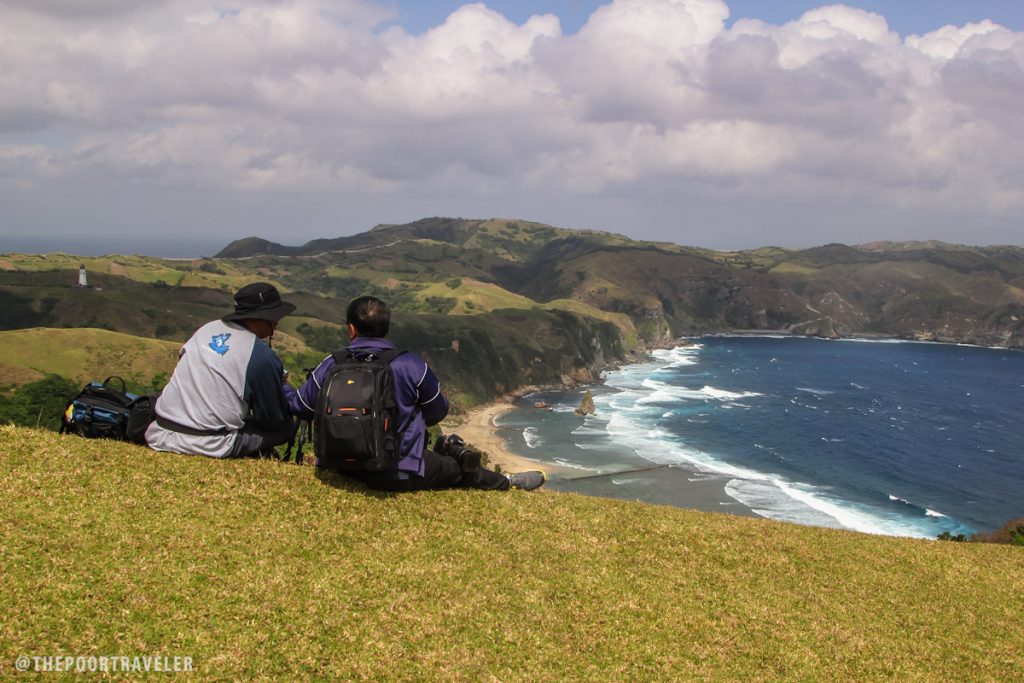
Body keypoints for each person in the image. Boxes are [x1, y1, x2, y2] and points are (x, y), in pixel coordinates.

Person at [285, 295, 545, 492]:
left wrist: (282, 383)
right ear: (387, 327)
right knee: (457, 468)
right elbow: (438, 410)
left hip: (339, 468)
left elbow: (301, 406)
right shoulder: (409, 364)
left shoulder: (332, 363)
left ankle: (506, 480)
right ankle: (508, 482)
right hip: (398, 470)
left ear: (351, 329)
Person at [145, 282, 297, 458]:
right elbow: (272, 420)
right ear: (260, 318)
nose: (276, 323)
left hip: (161, 431)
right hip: (208, 442)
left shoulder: (206, 329)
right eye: (274, 318)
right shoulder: (260, 355)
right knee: (286, 427)